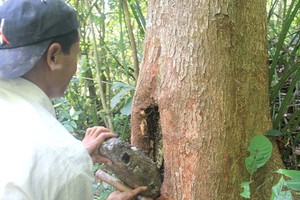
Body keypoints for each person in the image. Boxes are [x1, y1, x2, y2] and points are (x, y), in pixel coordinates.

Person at [0, 0, 147, 199]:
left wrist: (73, 157)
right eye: (76, 54)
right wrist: (69, 162)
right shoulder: (62, 156)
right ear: (54, 56)